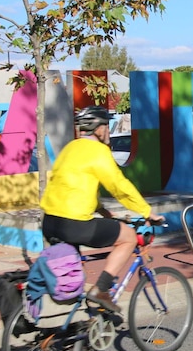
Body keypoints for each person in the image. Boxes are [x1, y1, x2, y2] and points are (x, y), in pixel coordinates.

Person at [40, 106, 165, 313]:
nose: (108, 130)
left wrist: (103, 211)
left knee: (74, 278)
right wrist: (146, 212)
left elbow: (73, 184)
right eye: (107, 125)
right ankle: (101, 290)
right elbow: (119, 186)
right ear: (98, 128)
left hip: (50, 222)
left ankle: (78, 329)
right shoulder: (99, 151)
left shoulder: (71, 148)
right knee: (128, 238)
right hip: (74, 223)